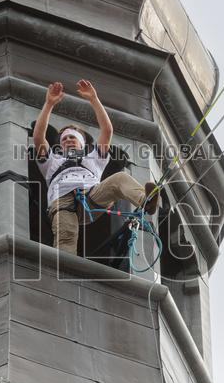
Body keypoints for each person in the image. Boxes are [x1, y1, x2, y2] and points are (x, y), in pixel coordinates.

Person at [33, 79, 159, 255]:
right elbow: (39, 137)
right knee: (66, 236)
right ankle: (63, 272)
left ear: (82, 144)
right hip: (61, 201)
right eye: (64, 139)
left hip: (91, 195)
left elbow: (107, 130)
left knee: (120, 179)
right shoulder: (52, 162)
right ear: (60, 146)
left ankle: (146, 201)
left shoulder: (93, 158)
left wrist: (94, 99)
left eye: (72, 138)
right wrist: (48, 104)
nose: (68, 140)